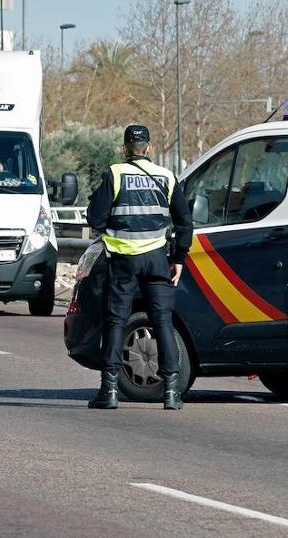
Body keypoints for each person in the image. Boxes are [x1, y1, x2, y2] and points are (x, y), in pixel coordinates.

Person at [85, 126, 193, 410]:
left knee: (116, 321)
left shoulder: (115, 174)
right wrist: (179, 258)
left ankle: (108, 392)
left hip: (122, 261)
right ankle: (171, 392)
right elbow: (185, 221)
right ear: (149, 147)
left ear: (125, 147)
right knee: (163, 322)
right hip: (158, 259)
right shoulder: (167, 177)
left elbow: (95, 218)